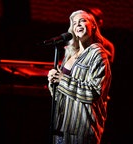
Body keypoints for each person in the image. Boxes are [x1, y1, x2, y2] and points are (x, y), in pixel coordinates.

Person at [47, 10, 112, 144]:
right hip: (60, 126)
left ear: (93, 25)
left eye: (82, 20)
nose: (78, 24)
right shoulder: (70, 54)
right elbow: (60, 95)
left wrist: (62, 79)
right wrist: (53, 82)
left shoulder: (98, 54)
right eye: (75, 23)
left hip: (80, 130)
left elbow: (94, 93)